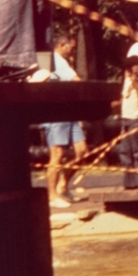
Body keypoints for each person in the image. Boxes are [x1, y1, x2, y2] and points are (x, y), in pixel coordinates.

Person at [41, 33, 87, 207]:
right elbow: (77, 81)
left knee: (82, 151)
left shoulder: (63, 61)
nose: (73, 52)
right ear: (61, 44)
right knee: (57, 154)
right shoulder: (56, 60)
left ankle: (63, 186)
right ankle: (52, 196)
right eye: (71, 48)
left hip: (69, 112)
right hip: (55, 113)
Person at [114, 55, 138, 189]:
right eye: (128, 70)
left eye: (131, 70)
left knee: (137, 151)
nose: (129, 73)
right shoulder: (126, 81)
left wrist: (135, 84)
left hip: (136, 119)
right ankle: (129, 183)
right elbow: (125, 98)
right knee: (125, 152)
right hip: (125, 119)